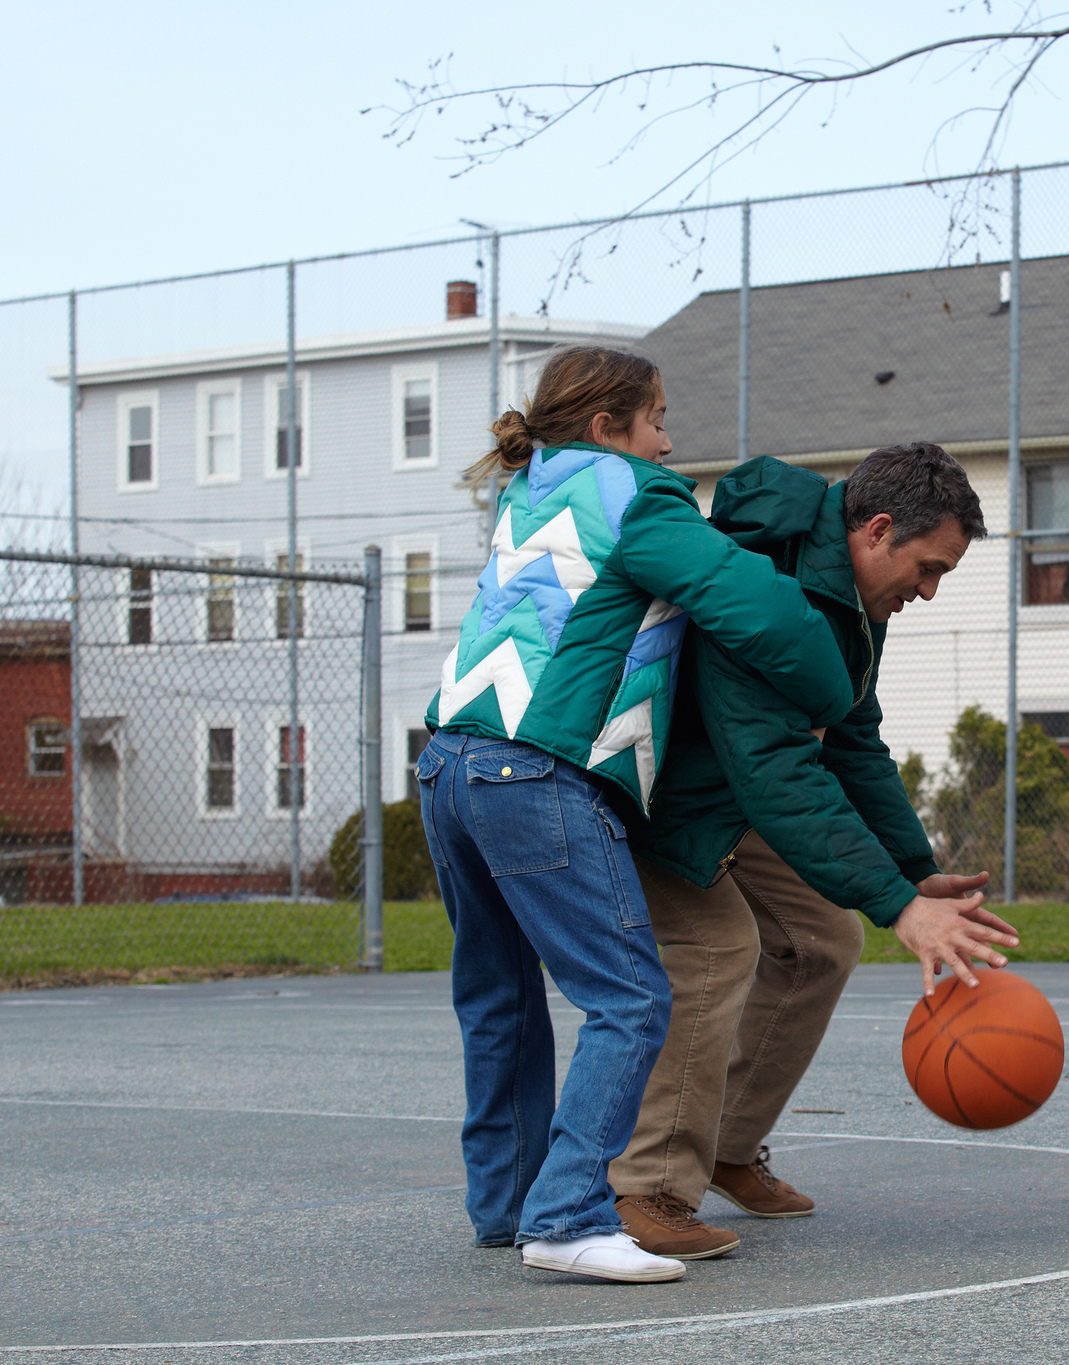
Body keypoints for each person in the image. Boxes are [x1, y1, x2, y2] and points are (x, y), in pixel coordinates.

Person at [413, 347, 854, 1283]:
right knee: (632, 994)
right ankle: (571, 1213)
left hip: (449, 760)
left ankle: (508, 1204)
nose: (669, 438)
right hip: (535, 773)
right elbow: (755, 605)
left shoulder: (529, 491)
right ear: (611, 428)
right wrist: (831, 688)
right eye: (658, 418)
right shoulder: (639, 497)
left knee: (500, 999)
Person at [607, 444, 1016, 1260]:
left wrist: (912, 868)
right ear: (877, 528)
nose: (929, 592)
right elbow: (778, 771)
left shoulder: (857, 597)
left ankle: (727, 1142)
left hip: (737, 786)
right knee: (720, 948)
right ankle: (647, 1187)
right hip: (663, 792)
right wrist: (901, 907)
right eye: (928, 568)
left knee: (823, 937)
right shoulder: (771, 574)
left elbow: (853, 737)